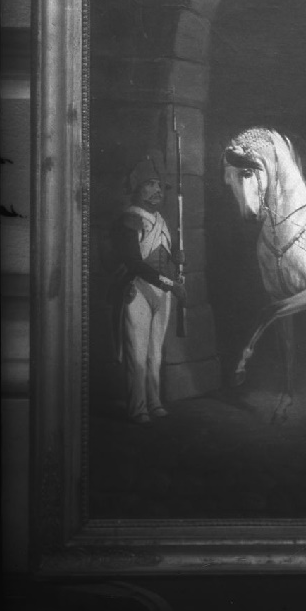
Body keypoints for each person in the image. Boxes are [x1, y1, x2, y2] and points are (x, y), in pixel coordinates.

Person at [107, 152, 186, 425]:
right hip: (137, 290)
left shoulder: (161, 221)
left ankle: (154, 402)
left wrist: (176, 259)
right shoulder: (129, 220)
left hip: (162, 293)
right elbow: (134, 263)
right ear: (137, 188)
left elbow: (162, 255)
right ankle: (138, 407)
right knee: (137, 354)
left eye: (159, 185)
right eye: (150, 184)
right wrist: (170, 284)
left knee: (155, 353)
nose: (157, 191)